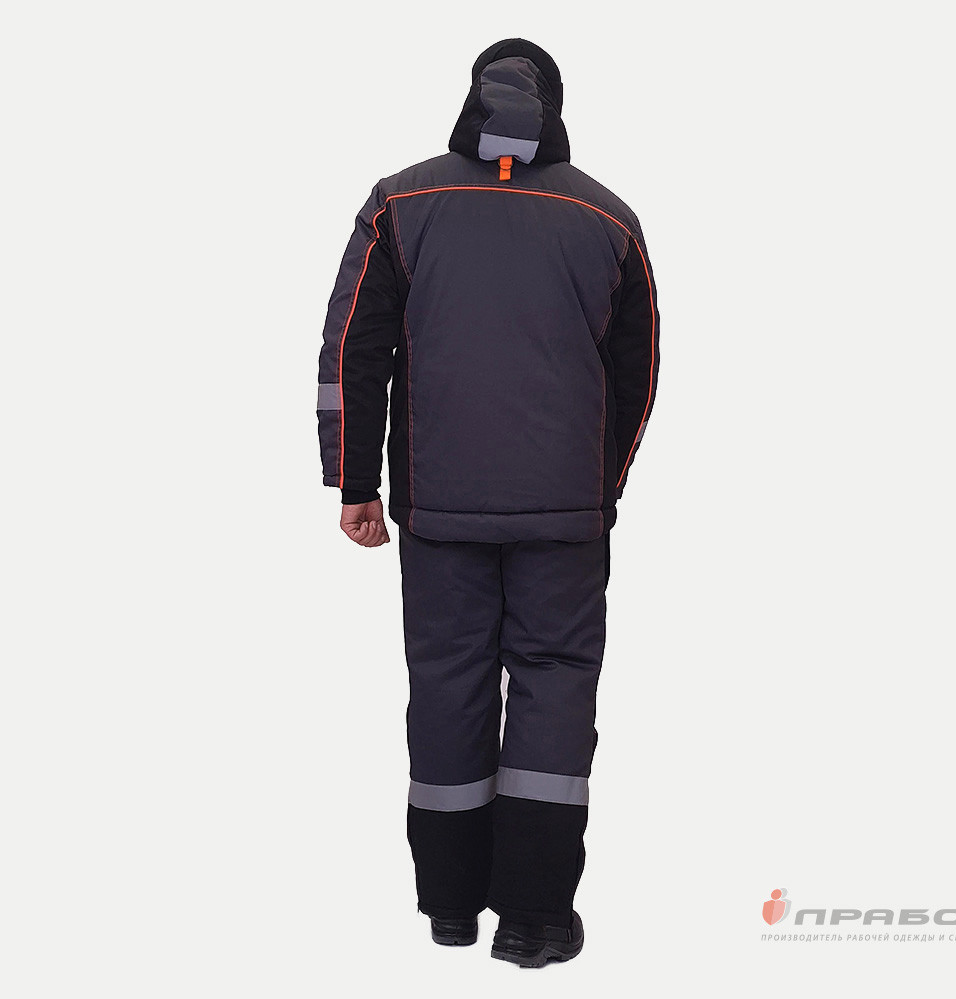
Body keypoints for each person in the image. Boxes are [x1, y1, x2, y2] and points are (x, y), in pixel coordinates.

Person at [317, 38, 659, 967]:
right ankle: (535, 917)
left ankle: (450, 905)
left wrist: (356, 481)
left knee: (446, 682)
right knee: (555, 686)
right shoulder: (608, 217)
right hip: (564, 513)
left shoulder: (400, 202)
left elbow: (352, 348)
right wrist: (601, 483)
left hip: (439, 509)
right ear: (555, 106)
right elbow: (637, 374)